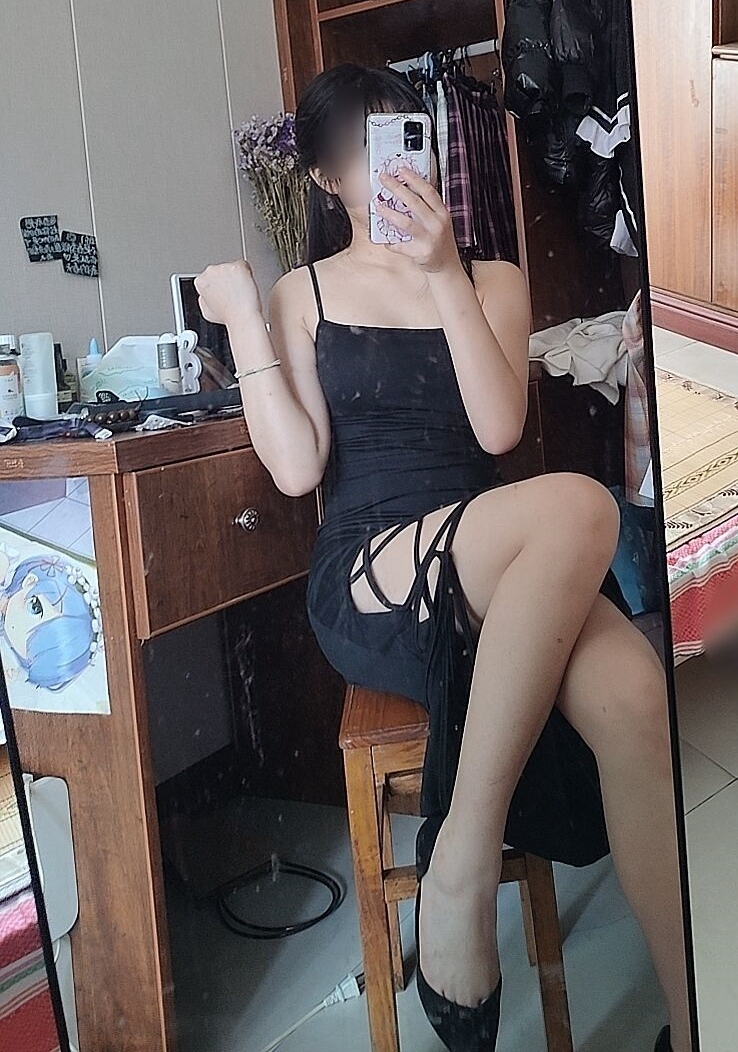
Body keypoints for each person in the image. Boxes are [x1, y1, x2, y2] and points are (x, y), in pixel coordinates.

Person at [195, 64, 690, 1052]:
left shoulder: (493, 278)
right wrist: (246, 317)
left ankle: (687, 1021)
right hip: (375, 566)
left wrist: (442, 274)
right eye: (361, 149)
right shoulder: (304, 293)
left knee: (637, 693)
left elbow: (499, 428)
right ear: (326, 178)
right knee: (579, 505)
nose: (389, 168)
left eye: (405, 138)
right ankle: (462, 857)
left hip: (500, 548)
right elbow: (297, 470)